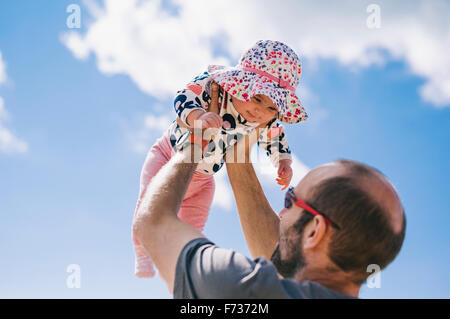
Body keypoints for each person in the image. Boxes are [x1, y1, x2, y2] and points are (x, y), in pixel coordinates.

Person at [132, 122, 407, 298]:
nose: (281, 212)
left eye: (290, 200)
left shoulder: (241, 289)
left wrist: (193, 143)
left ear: (315, 232)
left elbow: (152, 223)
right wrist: (238, 159)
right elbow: (285, 259)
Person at [132, 40, 309, 278]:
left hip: (204, 179)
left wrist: (283, 161)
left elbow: (275, 136)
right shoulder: (216, 89)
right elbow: (183, 97)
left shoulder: (262, 121)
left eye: (270, 108)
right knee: (147, 205)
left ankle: (180, 271)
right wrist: (198, 117)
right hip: (167, 155)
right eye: (256, 99)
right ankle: (142, 253)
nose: (259, 112)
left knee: (192, 229)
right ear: (242, 84)